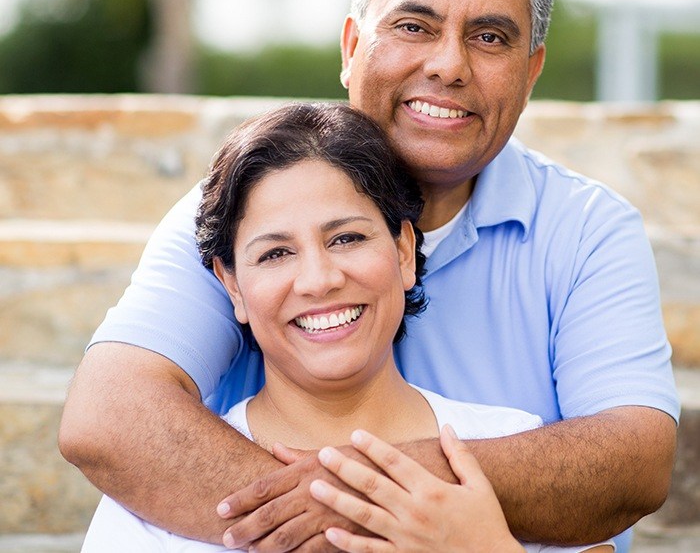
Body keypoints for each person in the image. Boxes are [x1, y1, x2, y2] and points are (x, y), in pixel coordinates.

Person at [59, 0, 678, 553]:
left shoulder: (586, 230)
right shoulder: (245, 206)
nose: (447, 65)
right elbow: (109, 416)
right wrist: (350, 524)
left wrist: (383, 500)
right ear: (353, 47)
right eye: (413, 25)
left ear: (531, 73)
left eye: (490, 37)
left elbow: (633, 460)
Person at [81, 102, 613, 553]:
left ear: (404, 251)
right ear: (233, 286)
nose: (318, 280)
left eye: (346, 239)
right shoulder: (155, 493)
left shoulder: (510, 445)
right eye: (275, 253)